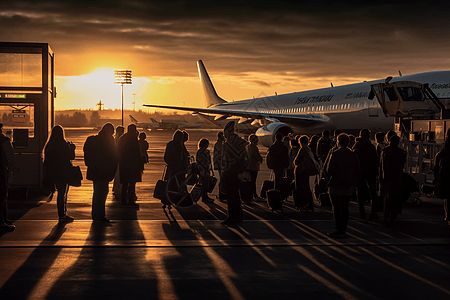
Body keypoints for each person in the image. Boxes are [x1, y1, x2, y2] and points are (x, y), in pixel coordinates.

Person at [326, 133, 360, 236]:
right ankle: (344, 228)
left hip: (336, 184)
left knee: (336, 208)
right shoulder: (353, 155)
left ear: (338, 142)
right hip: (348, 184)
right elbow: (357, 170)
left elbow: (329, 170)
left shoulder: (335, 154)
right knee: (345, 207)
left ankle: (338, 228)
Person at [83, 123, 118, 222]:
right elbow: (114, 155)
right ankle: (100, 215)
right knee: (102, 193)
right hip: (104, 172)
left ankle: (96, 214)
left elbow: (87, 155)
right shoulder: (109, 141)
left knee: (97, 193)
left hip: (94, 172)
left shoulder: (92, 140)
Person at [43, 125, 76, 222]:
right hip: (63, 172)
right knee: (63, 194)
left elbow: (46, 162)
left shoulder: (49, 145)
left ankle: (62, 214)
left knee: (60, 194)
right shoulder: (63, 144)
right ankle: (62, 214)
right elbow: (71, 156)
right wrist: (72, 148)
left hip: (54, 172)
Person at [221, 121, 249, 225]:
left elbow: (231, 159)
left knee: (231, 195)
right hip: (235, 172)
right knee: (235, 194)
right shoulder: (238, 142)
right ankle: (238, 214)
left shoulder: (230, 143)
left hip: (231, 172)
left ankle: (232, 216)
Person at [380, 134, 406, 227]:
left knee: (387, 197)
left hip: (387, 177)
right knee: (396, 197)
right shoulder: (401, 152)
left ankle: (386, 214)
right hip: (397, 177)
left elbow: (381, 166)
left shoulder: (384, 151)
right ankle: (393, 215)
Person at [352, 129, 378, 220]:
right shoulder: (371, 147)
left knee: (360, 193)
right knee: (373, 193)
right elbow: (375, 161)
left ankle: (362, 213)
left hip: (360, 173)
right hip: (370, 173)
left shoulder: (356, 146)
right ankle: (373, 213)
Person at [118, 124, 144, 207]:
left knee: (125, 184)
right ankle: (131, 201)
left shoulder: (122, 138)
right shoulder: (133, 139)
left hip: (124, 164)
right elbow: (137, 153)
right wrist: (140, 165)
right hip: (133, 165)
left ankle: (123, 201)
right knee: (132, 184)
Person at [294, 135, 316, 211]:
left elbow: (296, 161)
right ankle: (309, 203)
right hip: (306, 171)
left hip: (301, 171)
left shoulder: (303, 149)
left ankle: (302, 203)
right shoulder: (308, 149)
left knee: (300, 188)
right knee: (307, 187)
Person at [0, 124, 15, 231]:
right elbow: (11, 157)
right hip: (2, 172)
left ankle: (3, 218)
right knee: (3, 195)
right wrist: (12, 170)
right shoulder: (5, 141)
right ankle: (2, 220)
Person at [434, 138, 450, 225]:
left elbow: (435, 169)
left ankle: (448, 215)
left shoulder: (440, 155)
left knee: (447, 198)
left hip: (444, 179)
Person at [196, 138, 214, 203]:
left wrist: (211, 169)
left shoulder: (206, 151)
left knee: (207, 184)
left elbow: (209, 161)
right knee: (204, 184)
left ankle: (205, 196)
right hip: (203, 170)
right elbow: (199, 162)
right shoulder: (201, 152)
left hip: (206, 169)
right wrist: (201, 169)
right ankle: (204, 197)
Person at [246, 134, 264, 201]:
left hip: (248, 166)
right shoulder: (254, 147)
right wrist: (261, 159)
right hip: (253, 166)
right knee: (253, 181)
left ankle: (250, 195)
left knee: (250, 182)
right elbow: (257, 156)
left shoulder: (248, 146)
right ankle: (254, 195)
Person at [213, 132, 226, 201]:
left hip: (219, 164)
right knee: (222, 179)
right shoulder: (219, 144)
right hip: (220, 164)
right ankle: (222, 194)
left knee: (222, 179)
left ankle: (222, 194)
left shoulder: (218, 144)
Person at [113, 126, 124, 199]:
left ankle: (116, 189)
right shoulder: (119, 139)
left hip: (116, 158)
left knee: (117, 175)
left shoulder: (115, 138)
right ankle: (118, 190)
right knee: (118, 175)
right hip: (119, 158)